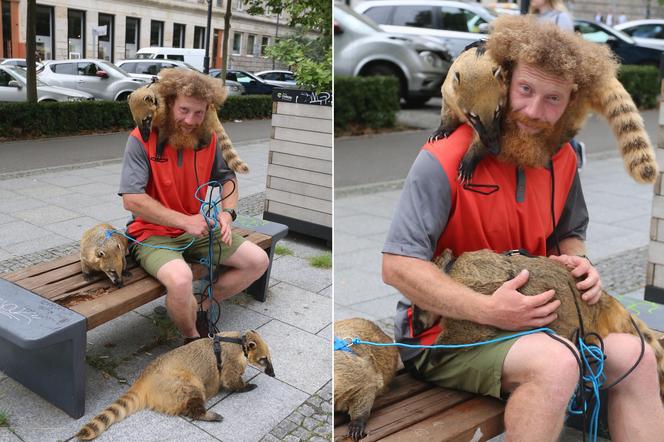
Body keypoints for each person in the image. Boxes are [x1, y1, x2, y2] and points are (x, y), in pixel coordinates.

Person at [382, 15, 664, 441]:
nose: (535, 112)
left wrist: (580, 263)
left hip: (539, 323)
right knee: (557, 364)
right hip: (444, 334)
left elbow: (568, 232)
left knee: (636, 356)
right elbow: (397, 266)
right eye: (526, 90)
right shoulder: (442, 158)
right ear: (505, 81)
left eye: (554, 99)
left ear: (572, 100)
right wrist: (489, 310)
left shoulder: (563, 157)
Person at [119, 69, 269, 343]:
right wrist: (184, 221)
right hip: (152, 233)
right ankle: (192, 339)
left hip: (196, 229)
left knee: (258, 261)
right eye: (184, 110)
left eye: (198, 113)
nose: (190, 120)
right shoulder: (141, 138)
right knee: (180, 280)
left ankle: (201, 305)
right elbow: (132, 200)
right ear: (169, 103)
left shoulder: (208, 138)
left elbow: (228, 179)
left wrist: (227, 213)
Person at [529, 0, 586, 170]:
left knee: (557, 122)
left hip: (553, 80)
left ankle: (575, 154)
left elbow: (566, 54)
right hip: (536, 80)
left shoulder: (561, 18)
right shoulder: (534, 18)